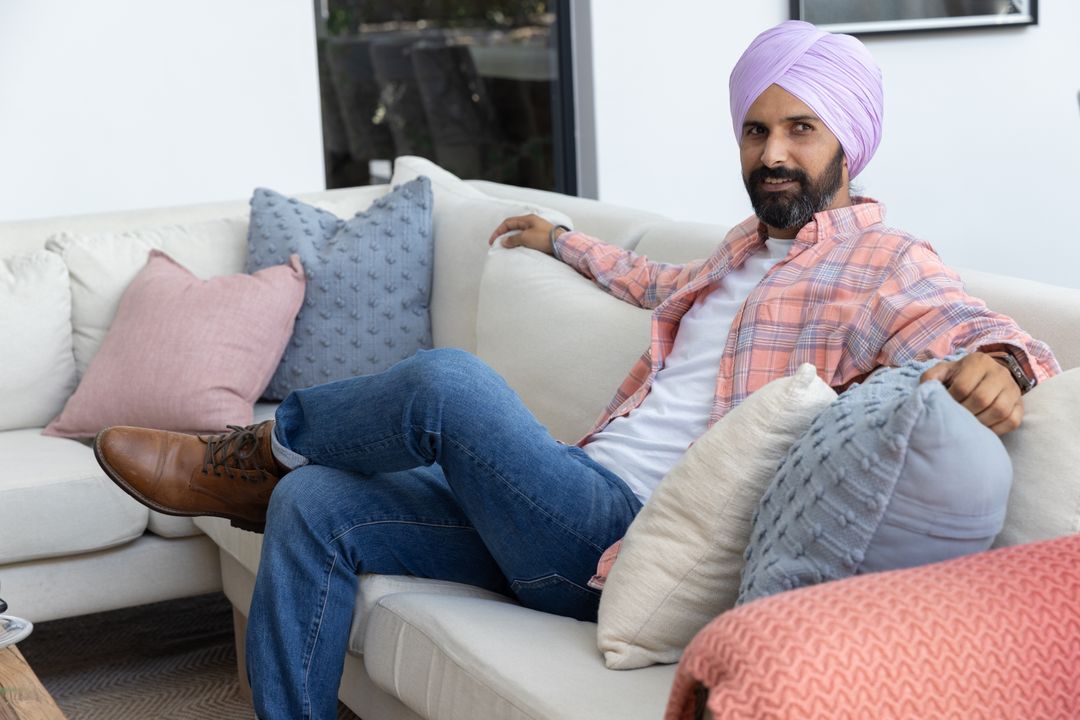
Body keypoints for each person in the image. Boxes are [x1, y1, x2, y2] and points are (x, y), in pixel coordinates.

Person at [93, 20, 1057, 720]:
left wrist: (1002, 361)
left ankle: (246, 458)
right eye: (756, 132)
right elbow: (661, 281)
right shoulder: (739, 251)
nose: (773, 154)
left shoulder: (883, 262)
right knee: (316, 510)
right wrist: (566, 242)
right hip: (561, 504)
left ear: (849, 140)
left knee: (448, 384)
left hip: (622, 540)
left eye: (800, 130)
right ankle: (275, 519)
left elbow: (969, 323)